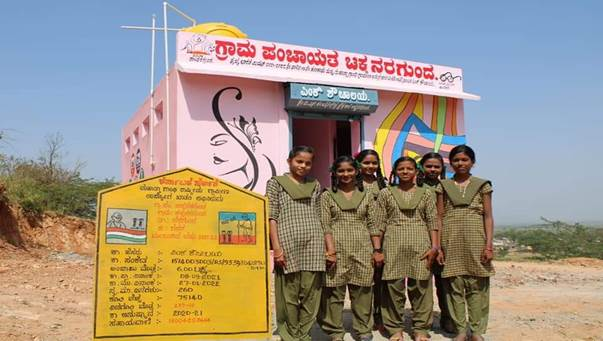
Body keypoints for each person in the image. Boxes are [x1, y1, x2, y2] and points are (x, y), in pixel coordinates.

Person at [375, 156, 441, 341]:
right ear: (395, 172)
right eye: (401, 169)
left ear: (416, 171)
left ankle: (421, 328)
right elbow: (379, 223)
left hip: (420, 244)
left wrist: (435, 246)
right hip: (393, 244)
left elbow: (432, 221)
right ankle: (395, 328)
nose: (405, 172)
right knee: (393, 288)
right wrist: (378, 250)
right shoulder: (386, 193)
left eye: (409, 169)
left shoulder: (426, 193)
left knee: (421, 288)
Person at [318, 156, 382, 341]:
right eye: (341, 171)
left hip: (362, 247)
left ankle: (363, 329)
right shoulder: (327, 195)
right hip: (336, 247)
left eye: (349, 170)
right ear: (335, 173)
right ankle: (335, 331)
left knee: (362, 290)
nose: (345, 174)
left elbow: (373, 225)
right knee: (334, 292)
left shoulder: (367, 195)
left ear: (356, 172)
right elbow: (325, 225)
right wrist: (330, 251)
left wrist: (377, 250)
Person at [435, 145, 494, 341]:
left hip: (476, 240)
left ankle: (476, 331)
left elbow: (488, 216)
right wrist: (439, 247)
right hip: (450, 240)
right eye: (456, 160)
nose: (460, 163)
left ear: (472, 162)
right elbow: (440, 216)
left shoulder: (482, 185)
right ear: (450, 163)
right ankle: (460, 329)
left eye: (465, 160)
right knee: (454, 287)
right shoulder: (443, 185)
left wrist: (488, 245)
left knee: (477, 287)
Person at [265, 146, 325, 341]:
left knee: (310, 294)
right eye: (299, 161)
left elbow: (319, 214)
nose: (303, 166)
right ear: (289, 161)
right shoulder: (276, 183)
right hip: (288, 243)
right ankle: (290, 334)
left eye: (308, 163)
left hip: (314, 243)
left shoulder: (315, 184)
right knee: (289, 296)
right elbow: (271, 216)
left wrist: (326, 246)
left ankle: (304, 333)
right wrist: (276, 248)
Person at [418, 152, 455, 334]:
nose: (432, 170)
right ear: (422, 167)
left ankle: (447, 318)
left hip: (442, 238)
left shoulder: (447, 187)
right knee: (422, 283)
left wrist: (440, 243)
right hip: (419, 238)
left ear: (442, 169)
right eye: (429, 166)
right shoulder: (415, 187)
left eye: (436, 167)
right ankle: (423, 321)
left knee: (443, 282)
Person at [355, 149, 387, 331]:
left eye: (374, 163)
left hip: (382, 235)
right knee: (366, 278)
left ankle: (380, 315)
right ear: (359, 164)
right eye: (366, 163)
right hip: (360, 236)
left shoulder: (383, 185)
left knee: (381, 279)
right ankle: (364, 316)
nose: (370, 166)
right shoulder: (352, 184)